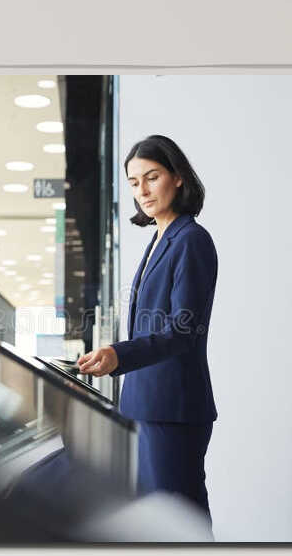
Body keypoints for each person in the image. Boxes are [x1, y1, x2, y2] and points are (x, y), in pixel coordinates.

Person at [76, 135, 218, 518]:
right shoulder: (158, 239)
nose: (142, 190)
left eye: (152, 177)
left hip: (172, 408)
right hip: (144, 405)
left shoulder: (191, 240)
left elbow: (182, 329)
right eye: (134, 182)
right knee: (158, 524)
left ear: (178, 178)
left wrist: (118, 354)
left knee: (179, 523)